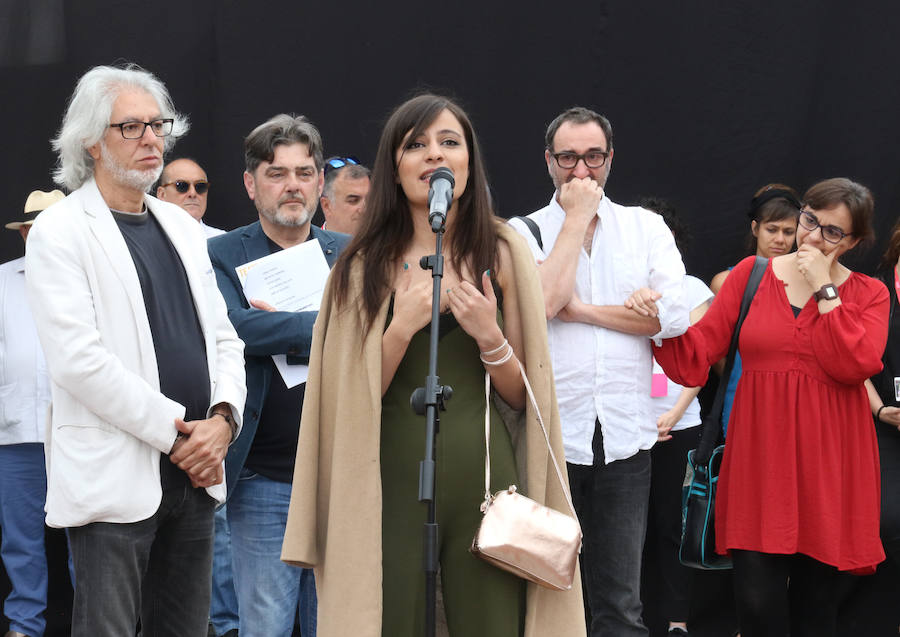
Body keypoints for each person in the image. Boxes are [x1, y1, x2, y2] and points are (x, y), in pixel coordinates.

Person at [281, 93, 585, 637]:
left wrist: (489, 336)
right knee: (389, 617)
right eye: (416, 145)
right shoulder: (360, 264)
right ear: (393, 169)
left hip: (487, 481)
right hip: (388, 478)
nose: (434, 156)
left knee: (493, 622)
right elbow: (347, 400)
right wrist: (402, 326)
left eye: (449, 143)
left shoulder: (502, 249)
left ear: (469, 161)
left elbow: (524, 398)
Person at [24, 63, 246, 637]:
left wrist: (223, 421)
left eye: (158, 125)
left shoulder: (182, 224)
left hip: (197, 474)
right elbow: (80, 362)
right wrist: (181, 435)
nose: (152, 139)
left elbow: (225, 338)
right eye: (132, 128)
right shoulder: (61, 230)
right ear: (92, 142)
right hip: (118, 479)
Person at [640, 178, 886, 637]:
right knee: (755, 604)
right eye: (810, 220)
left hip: (830, 465)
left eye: (832, 232)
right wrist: (659, 322)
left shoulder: (869, 294)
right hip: (760, 462)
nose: (812, 236)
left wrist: (823, 289)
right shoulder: (750, 276)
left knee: (817, 608)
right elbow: (697, 355)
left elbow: (855, 364)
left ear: (852, 242)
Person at [508, 107, 689, 637]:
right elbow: (542, 303)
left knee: (619, 601)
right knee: (547, 596)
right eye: (568, 157)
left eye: (592, 157)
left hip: (626, 439)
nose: (581, 171)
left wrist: (584, 312)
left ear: (611, 159)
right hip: (548, 441)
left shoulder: (645, 227)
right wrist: (576, 220)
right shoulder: (523, 232)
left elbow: (672, 317)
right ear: (548, 160)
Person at [208, 113, 348, 637]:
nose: (293, 185)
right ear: (250, 184)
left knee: (332, 626)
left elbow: (372, 334)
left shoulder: (349, 254)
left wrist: (276, 325)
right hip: (264, 478)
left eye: (304, 172)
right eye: (276, 173)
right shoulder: (221, 254)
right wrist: (327, 325)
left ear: (318, 182)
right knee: (264, 626)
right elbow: (234, 329)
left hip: (341, 478)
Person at [640, 197, 713, 637]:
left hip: (679, 425)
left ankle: (677, 621)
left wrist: (673, 413)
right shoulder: (615, 287)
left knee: (674, 526)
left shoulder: (692, 289)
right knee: (624, 532)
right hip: (624, 429)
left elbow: (699, 363)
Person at [0, 189, 63, 637]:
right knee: (20, 539)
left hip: (79, 431)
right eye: (34, 229)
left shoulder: (89, 281)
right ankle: (24, 625)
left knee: (91, 536)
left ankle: (97, 624)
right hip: (16, 430)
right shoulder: (1, 281)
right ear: (24, 234)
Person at [709, 184, 801, 431]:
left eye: (789, 231)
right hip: (741, 396)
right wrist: (738, 379)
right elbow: (713, 347)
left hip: (795, 401)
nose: (780, 239)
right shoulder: (727, 281)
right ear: (755, 228)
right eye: (772, 229)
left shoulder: (806, 283)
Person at [863, 220, 900, 631]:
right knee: (888, 521)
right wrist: (878, 410)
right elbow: (857, 364)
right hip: (880, 420)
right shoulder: (874, 291)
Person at [156, 157, 225, 237]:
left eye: (200, 186)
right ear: (162, 194)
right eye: (182, 186)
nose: (192, 193)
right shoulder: (148, 240)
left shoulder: (223, 241)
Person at [319, 155, 370, 234]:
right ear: (327, 206)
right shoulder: (309, 246)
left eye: (370, 199)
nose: (364, 209)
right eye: (353, 200)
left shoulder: (387, 244)